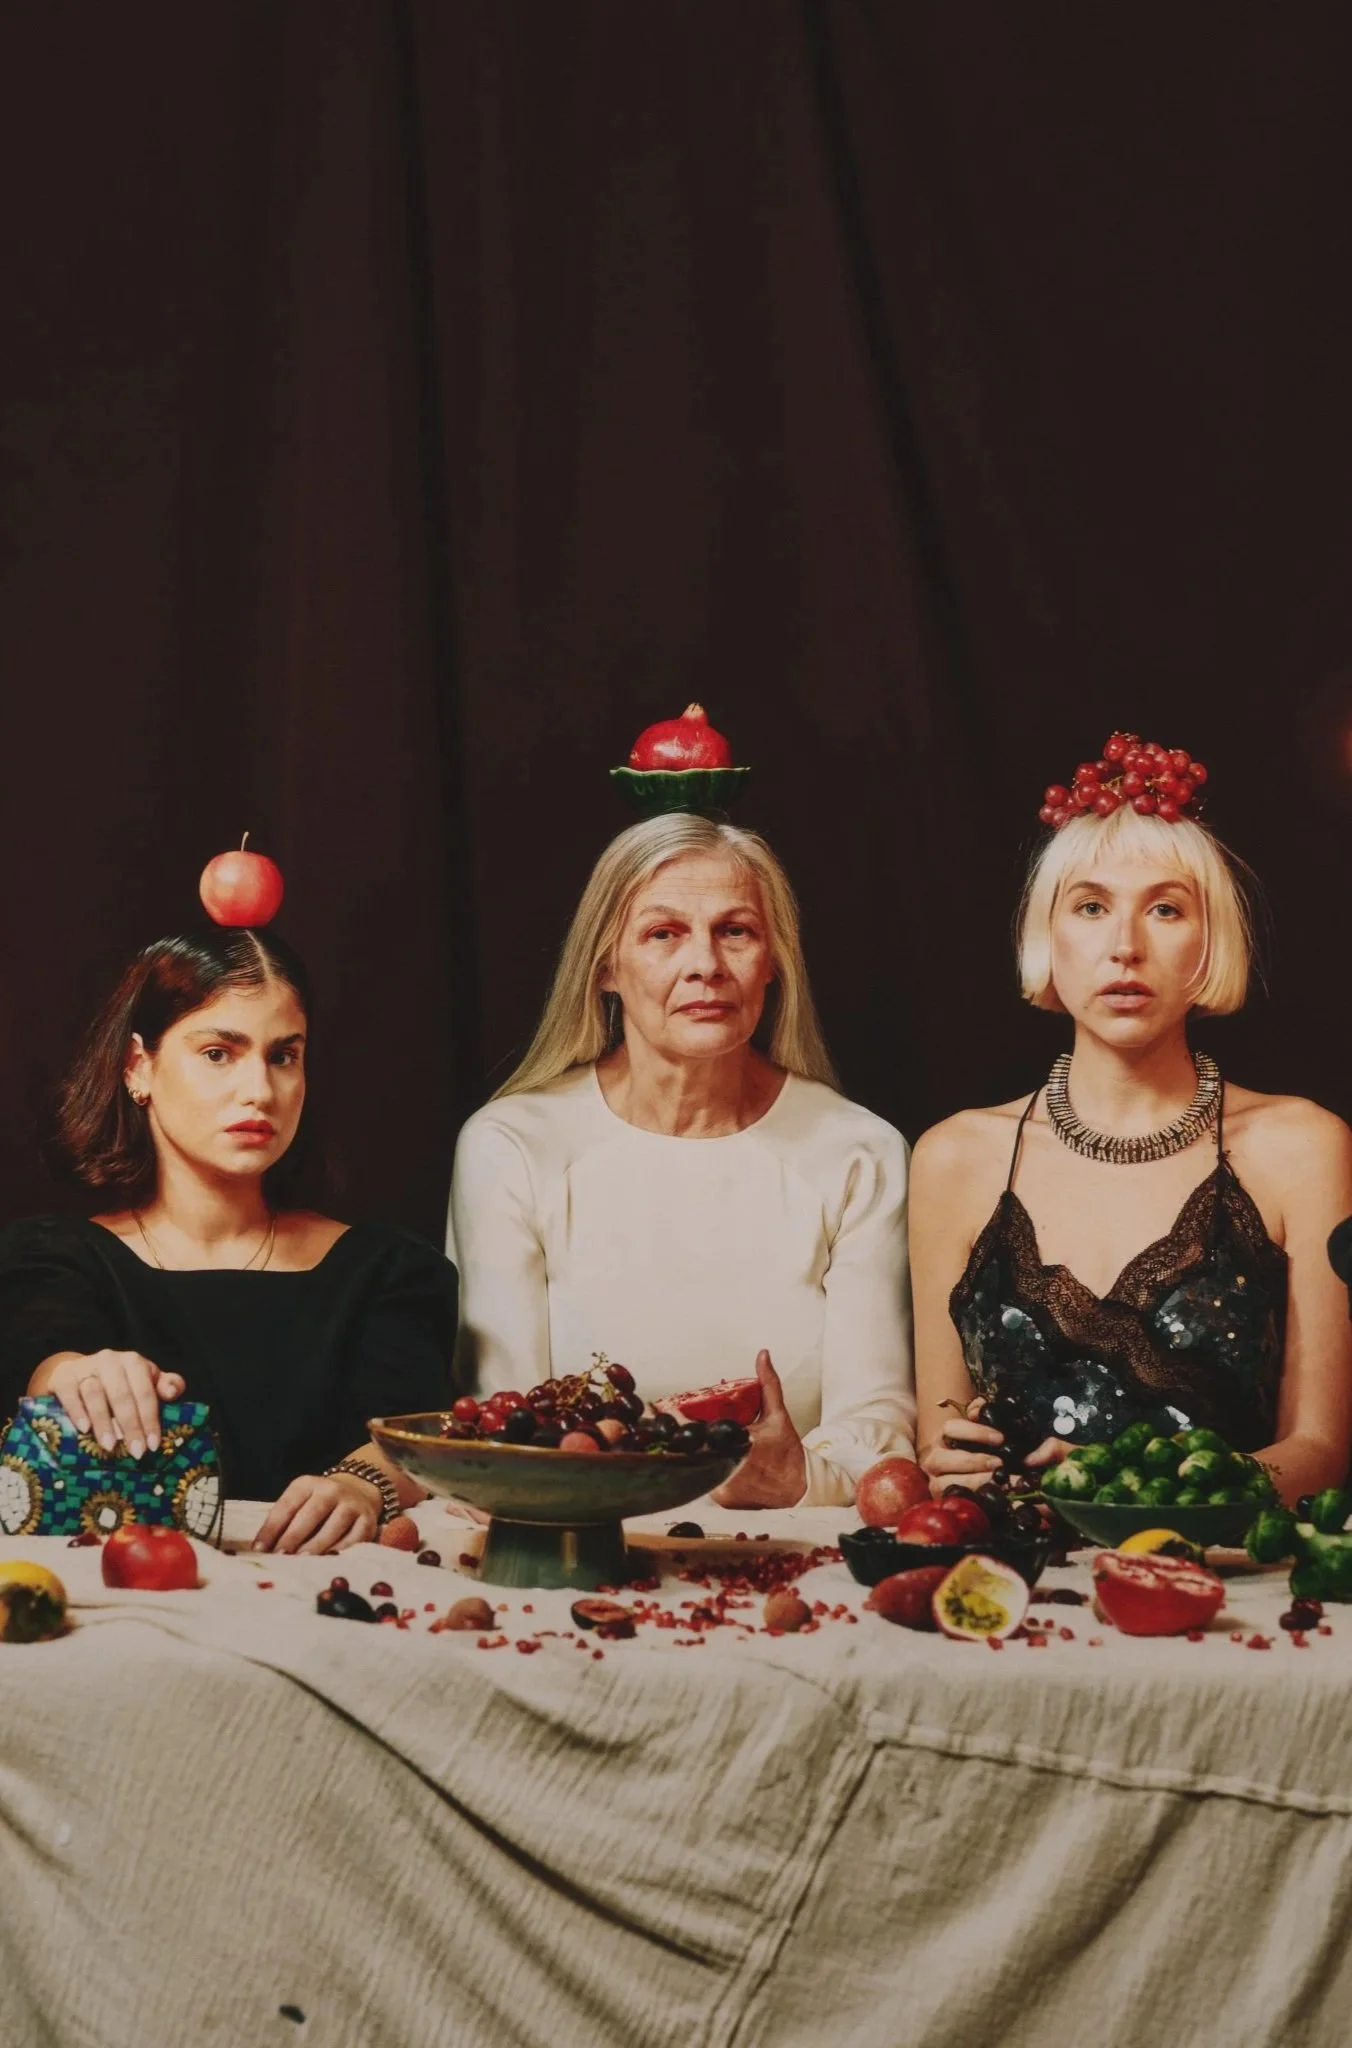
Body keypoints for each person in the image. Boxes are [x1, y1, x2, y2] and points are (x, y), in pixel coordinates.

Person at [911, 735, 1352, 1507]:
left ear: (1209, 941)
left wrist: (1128, 1493)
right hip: (1015, 1587)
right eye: (1090, 907)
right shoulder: (955, 1158)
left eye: (1165, 910)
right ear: (1050, 939)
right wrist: (944, 1459)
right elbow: (936, 1436)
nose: (1125, 947)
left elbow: (1321, 1450)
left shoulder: (1303, 1149)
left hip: (1229, 1591)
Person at [448, 812, 913, 1507]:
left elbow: (876, 1424)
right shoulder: (510, 1147)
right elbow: (504, 1420)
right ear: (606, 966)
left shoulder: (860, 1153)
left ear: (774, 960)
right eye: (664, 934)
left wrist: (796, 1477)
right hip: (581, 1537)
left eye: (736, 931)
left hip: (796, 1543)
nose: (706, 965)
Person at [0, 928, 457, 1552]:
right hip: (127, 1604)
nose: (260, 1092)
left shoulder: (390, 1268)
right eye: (219, 1052)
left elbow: (411, 1434)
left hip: (325, 1600)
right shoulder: (51, 1258)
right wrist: (81, 1374)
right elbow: (42, 1359)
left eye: (282, 1056)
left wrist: (359, 1484)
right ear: (140, 1068)